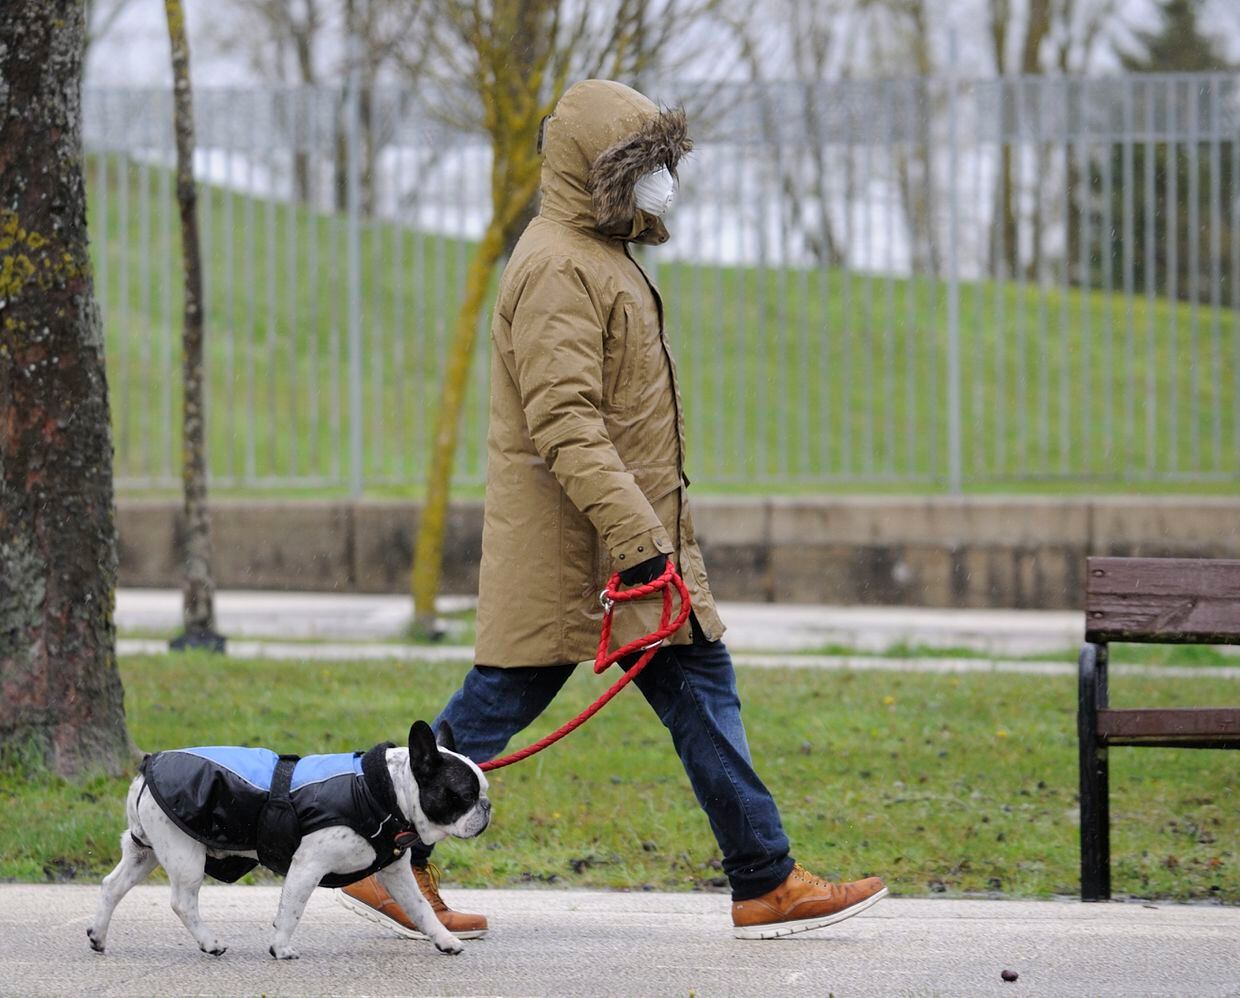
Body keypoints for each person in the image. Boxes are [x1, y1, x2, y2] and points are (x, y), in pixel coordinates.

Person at [340, 79, 886, 941]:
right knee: (493, 710)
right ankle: (380, 853)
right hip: (586, 561)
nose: (663, 182)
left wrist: (647, 543)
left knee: (700, 690)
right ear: (597, 172)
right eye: (646, 165)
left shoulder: (595, 254)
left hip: (624, 552)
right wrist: (640, 545)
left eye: (664, 164)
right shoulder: (559, 264)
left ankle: (765, 880)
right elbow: (567, 423)